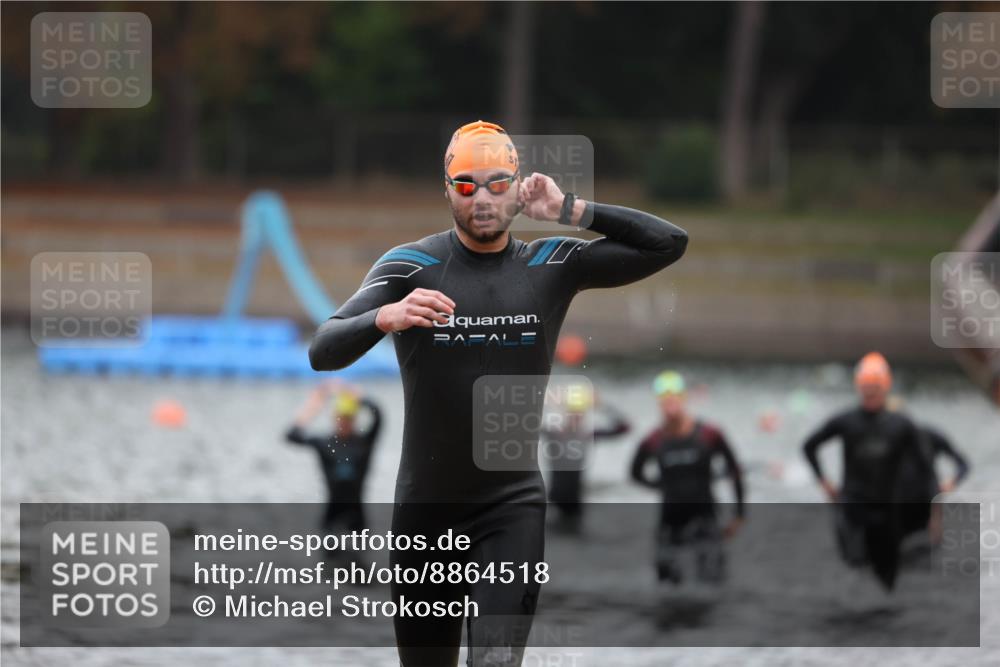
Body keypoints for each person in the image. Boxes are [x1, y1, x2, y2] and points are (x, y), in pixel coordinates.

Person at [308, 120, 688, 666]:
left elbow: (669, 243)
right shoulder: (409, 267)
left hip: (510, 509)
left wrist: (572, 210)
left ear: (516, 187)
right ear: (447, 189)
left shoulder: (551, 265)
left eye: (496, 184)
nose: (481, 199)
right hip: (425, 514)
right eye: (466, 186)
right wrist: (384, 316)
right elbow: (323, 349)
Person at [801, 352, 933, 591]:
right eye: (866, 387)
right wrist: (823, 481)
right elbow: (809, 446)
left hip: (888, 508)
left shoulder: (901, 425)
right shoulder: (846, 421)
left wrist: (930, 509)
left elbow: (925, 467)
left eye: (875, 387)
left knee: (888, 576)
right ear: (858, 387)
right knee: (856, 564)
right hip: (853, 505)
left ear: (886, 387)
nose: (870, 393)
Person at [630, 371, 745, 585]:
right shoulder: (653, 440)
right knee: (667, 583)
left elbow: (735, 470)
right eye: (665, 400)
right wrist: (661, 486)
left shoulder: (709, 434)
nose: (670, 404)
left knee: (712, 580)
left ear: (684, 399)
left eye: (675, 398)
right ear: (659, 403)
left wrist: (739, 513)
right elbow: (634, 474)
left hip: (705, 516)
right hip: (670, 519)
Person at [285, 380, 382, 535]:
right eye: (341, 418)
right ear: (335, 418)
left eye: (348, 418)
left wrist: (358, 396)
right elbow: (291, 436)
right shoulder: (324, 444)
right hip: (331, 515)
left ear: (355, 419)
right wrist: (314, 405)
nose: (344, 422)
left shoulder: (364, 443)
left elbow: (378, 416)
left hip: (357, 516)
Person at [543, 382, 631, 533]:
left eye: (579, 413)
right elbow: (523, 425)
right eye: (572, 412)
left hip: (576, 503)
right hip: (554, 503)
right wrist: (545, 403)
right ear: (565, 412)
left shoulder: (587, 436)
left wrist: (602, 406)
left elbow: (624, 427)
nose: (576, 416)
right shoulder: (554, 434)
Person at [896, 424, 970, 541]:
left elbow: (963, 464)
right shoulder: (887, 440)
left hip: (930, 497)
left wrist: (952, 482)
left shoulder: (929, 436)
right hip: (902, 501)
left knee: (934, 540)